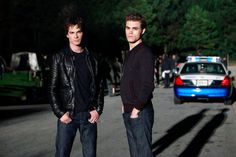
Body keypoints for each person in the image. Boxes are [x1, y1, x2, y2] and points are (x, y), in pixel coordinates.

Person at [48, 16, 104, 157]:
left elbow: (100, 85)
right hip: (68, 116)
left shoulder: (93, 58)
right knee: (62, 154)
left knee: (90, 155)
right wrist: (60, 113)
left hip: (89, 116)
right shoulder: (59, 57)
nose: (76, 36)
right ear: (67, 34)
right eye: (72, 32)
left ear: (82, 32)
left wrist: (98, 109)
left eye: (78, 31)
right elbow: (52, 88)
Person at [120, 13, 155, 157]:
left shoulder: (145, 53)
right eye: (128, 28)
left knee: (143, 154)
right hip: (129, 110)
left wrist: (136, 110)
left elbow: (148, 85)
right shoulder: (130, 53)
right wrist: (125, 106)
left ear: (143, 30)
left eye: (135, 28)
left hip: (140, 112)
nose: (130, 32)